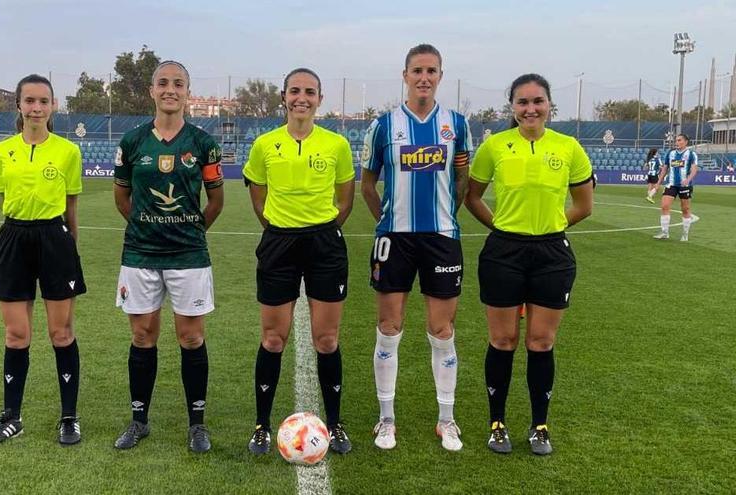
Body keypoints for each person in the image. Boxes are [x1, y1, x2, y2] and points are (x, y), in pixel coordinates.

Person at [464, 73, 594, 456]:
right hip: (503, 252)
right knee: (503, 340)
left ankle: (540, 426)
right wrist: (502, 229)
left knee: (541, 341)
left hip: (552, 255)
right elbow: (473, 197)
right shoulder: (495, 147)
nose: (530, 108)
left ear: (549, 105)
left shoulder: (569, 147)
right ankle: (497, 423)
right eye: (522, 102)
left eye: (537, 101)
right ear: (512, 108)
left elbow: (584, 206)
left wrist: (551, 228)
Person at [360, 44, 471, 452]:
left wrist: (446, 216)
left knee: (442, 331)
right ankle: (386, 419)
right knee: (389, 329)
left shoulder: (456, 124)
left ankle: (447, 420)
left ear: (440, 75)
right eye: (417, 70)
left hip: (442, 238)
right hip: (395, 238)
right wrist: (385, 219)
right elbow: (368, 184)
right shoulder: (384, 126)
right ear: (404, 75)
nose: (424, 77)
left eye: (432, 70)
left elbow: (463, 180)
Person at [112, 61, 224, 453]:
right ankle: (139, 420)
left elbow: (216, 200)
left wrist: (189, 231)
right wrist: (148, 227)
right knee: (142, 335)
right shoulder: (132, 142)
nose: (170, 90)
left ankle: (197, 424)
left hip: (189, 254)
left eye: (178, 84)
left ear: (188, 92)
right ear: (152, 90)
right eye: (163, 83)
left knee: (191, 337)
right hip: (140, 253)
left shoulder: (203, 143)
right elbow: (122, 198)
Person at [243, 67, 355, 455]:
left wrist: (322, 230)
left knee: (327, 340)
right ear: (284, 96)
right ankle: (261, 425)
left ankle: (336, 424)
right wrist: (279, 227)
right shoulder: (264, 144)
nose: (301, 98)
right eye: (294, 91)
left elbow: (345, 199)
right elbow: (257, 194)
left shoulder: (337, 145)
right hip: (279, 244)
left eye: (309, 91)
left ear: (320, 99)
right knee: (273, 339)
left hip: (325, 243)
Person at [0, 74, 86, 446]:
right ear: (19, 106)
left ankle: (69, 417)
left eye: (44, 101)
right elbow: (5, 198)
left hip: (55, 239)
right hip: (14, 238)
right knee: (16, 334)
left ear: (53, 106)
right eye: (30, 101)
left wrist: (70, 245)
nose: (36, 108)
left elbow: (71, 204)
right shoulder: (1, 151)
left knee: (61, 333)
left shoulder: (68, 151)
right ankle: (12, 416)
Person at [654, 134, 699, 241]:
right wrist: (658, 183)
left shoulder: (691, 154)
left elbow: (694, 169)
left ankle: (685, 234)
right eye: (676, 140)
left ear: (685, 142)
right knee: (665, 206)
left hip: (685, 185)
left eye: (679, 140)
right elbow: (665, 169)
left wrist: (688, 179)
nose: (677, 142)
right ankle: (665, 233)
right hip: (671, 184)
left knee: (685, 209)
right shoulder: (670, 153)